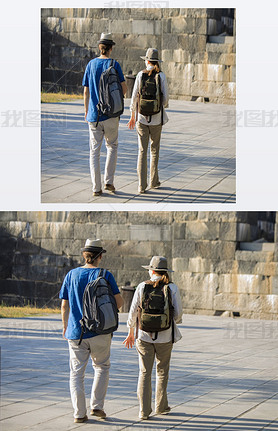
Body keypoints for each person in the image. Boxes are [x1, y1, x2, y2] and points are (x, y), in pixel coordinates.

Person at [60, 239, 124, 423]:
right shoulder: (105, 274)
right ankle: (97, 407)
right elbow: (119, 302)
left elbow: (64, 305)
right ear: (100, 256)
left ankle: (79, 414)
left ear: (84, 255)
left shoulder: (71, 275)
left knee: (76, 374)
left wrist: (65, 326)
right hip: (100, 331)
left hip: (76, 332)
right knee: (102, 367)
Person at [123, 256, 182, 420]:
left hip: (143, 336)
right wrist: (169, 321)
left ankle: (143, 411)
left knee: (144, 373)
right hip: (165, 337)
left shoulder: (142, 286)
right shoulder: (172, 288)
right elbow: (178, 314)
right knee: (162, 372)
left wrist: (130, 331)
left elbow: (133, 311)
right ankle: (161, 407)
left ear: (152, 270)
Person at [83, 33, 127, 196]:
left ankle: (96, 188)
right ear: (110, 48)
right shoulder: (114, 64)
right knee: (112, 147)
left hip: (94, 115)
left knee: (94, 151)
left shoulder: (91, 64)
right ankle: (109, 182)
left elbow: (86, 91)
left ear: (100, 48)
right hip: (111, 115)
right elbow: (124, 89)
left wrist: (86, 111)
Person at [127, 48, 169, 194]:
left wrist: (133, 115)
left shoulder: (140, 75)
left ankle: (141, 185)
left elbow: (134, 96)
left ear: (147, 61)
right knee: (154, 150)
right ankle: (153, 181)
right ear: (157, 61)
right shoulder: (161, 76)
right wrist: (158, 106)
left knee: (142, 151)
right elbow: (165, 99)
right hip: (157, 120)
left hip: (141, 119)